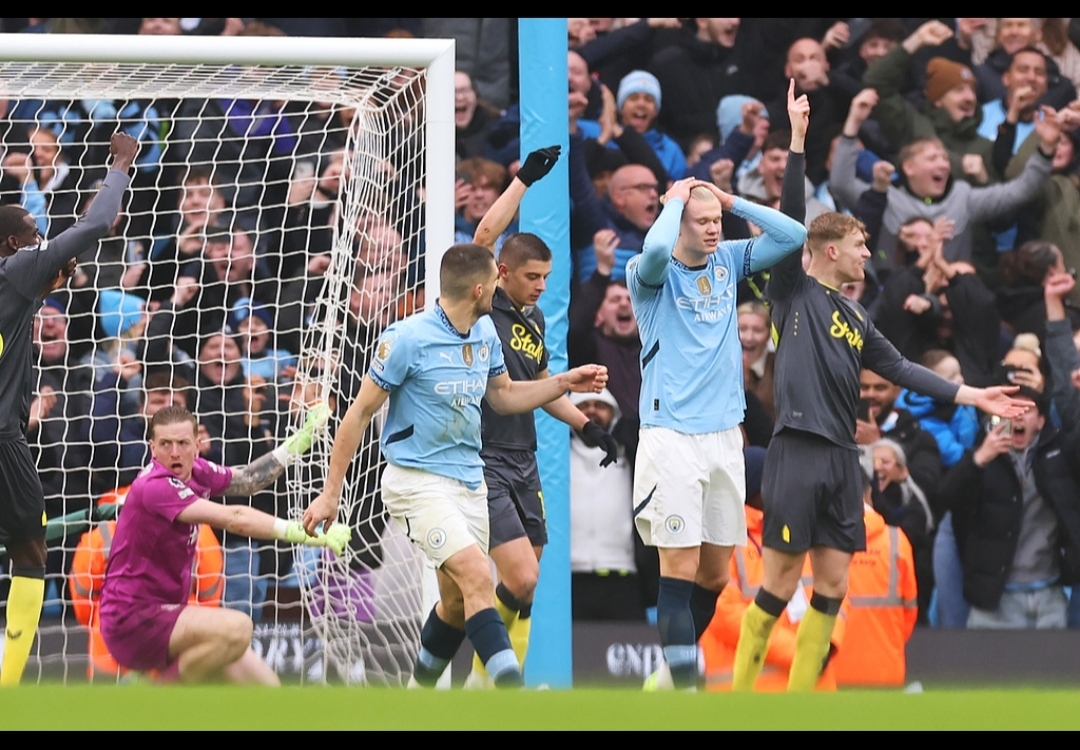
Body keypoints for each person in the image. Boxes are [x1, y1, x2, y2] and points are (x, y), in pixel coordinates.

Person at [730, 208, 1033, 692]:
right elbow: (789, 220)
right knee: (781, 584)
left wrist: (973, 394)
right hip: (798, 453)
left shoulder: (855, 314)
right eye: (859, 246)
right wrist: (796, 144)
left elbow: (902, 368)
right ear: (831, 250)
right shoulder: (793, 291)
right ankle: (738, 707)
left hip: (842, 459)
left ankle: (796, 709)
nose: (868, 255)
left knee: (833, 587)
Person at [301, 243, 608, 689]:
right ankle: (510, 696)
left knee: (456, 605)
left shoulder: (484, 334)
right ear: (482, 288)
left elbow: (502, 396)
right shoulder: (407, 338)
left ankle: (416, 697)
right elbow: (358, 414)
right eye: (496, 284)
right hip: (417, 482)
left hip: (469, 482)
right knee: (478, 576)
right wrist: (331, 493)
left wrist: (563, 381)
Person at [628, 81, 809, 691]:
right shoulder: (648, 273)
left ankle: (667, 676)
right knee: (678, 570)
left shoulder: (729, 260)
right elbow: (655, 252)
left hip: (722, 439)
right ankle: (686, 690)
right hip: (671, 436)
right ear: (677, 221)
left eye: (714, 222)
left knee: (714, 576)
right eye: (700, 222)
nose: (711, 230)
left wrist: (732, 200)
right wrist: (672, 202)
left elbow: (792, 238)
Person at [465, 146, 619, 686]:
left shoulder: (532, 320)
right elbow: (483, 237)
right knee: (521, 575)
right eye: (532, 276)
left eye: (548, 277)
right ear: (501, 274)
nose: (541, 286)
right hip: (483, 457)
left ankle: (488, 688)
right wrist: (523, 181)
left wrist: (587, 426)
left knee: (527, 584)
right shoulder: (482, 303)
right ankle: (497, 685)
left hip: (524, 455)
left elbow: (542, 388)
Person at [0, 132, 137, 686]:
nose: (43, 241)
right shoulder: (15, 271)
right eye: (34, 235)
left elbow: (66, 254)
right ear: (12, 244)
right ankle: (8, 681)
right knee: (31, 551)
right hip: (3, 440)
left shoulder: (15, 281)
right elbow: (95, 226)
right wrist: (121, 167)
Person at [99, 404, 348, 684]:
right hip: (132, 619)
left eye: (182, 443)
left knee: (268, 688)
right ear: (152, 448)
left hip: (165, 615)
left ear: (198, 444)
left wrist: (300, 441)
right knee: (238, 628)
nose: (175, 452)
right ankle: (154, 698)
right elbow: (236, 517)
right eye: (165, 444)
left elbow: (251, 480)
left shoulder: (197, 471)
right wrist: (305, 532)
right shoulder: (154, 485)